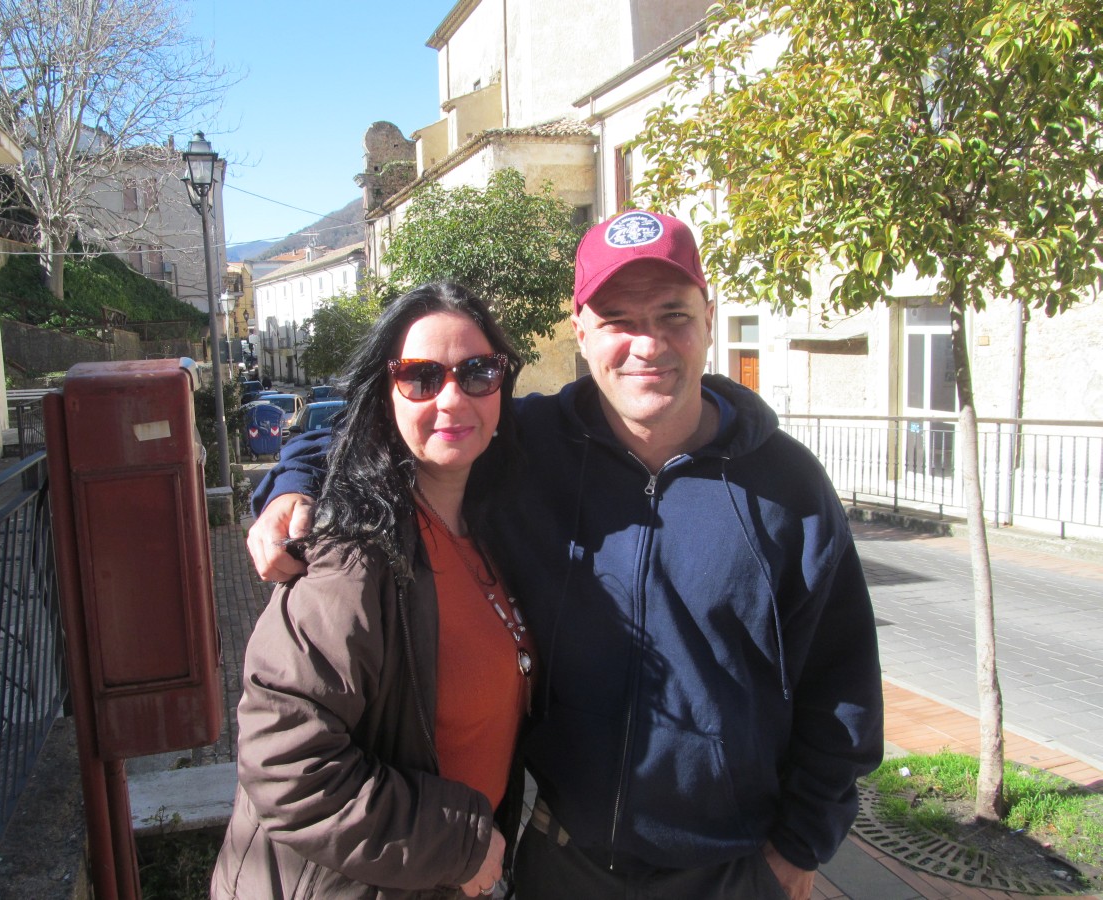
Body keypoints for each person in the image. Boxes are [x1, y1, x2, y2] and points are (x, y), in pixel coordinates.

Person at [247, 210, 884, 899]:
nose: (648, 344)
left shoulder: (787, 486)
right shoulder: (529, 446)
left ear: (709, 317)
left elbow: (840, 682)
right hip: (563, 864)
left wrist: (800, 845)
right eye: (617, 319)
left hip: (729, 873)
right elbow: (394, 424)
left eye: (672, 315)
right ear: (580, 331)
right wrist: (293, 482)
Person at [212, 282, 535, 899]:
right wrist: (464, 844)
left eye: (477, 371)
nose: (451, 398)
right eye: (419, 377)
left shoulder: (491, 523)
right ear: (384, 397)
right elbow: (286, 766)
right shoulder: (350, 554)